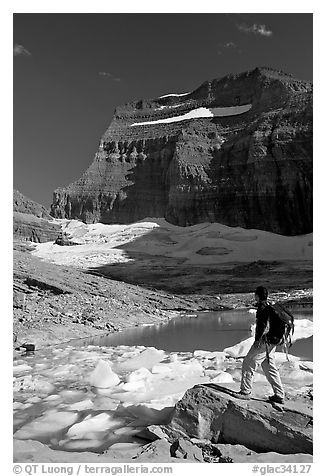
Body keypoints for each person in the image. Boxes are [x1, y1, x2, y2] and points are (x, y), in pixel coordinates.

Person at [235, 286, 285, 404]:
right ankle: (279, 395)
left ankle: (245, 392)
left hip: (265, 342)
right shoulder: (270, 306)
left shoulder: (262, 308)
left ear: (257, 295)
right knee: (269, 367)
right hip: (272, 342)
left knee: (248, 363)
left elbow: (262, 326)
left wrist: (258, 340)